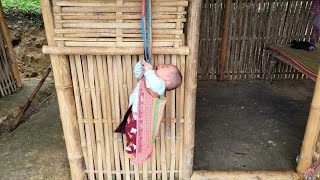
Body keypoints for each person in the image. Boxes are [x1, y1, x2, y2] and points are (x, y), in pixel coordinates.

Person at [114, 60, 182, 164]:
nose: (161, 65)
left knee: (139, 137)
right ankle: (133, 152)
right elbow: (137, 73)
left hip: (142, 117)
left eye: (165, 66)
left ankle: (140, 155)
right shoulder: (148, 77)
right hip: (134, 113)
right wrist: (140, 65)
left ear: (167, 80)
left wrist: (149, 71)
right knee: (130, 134)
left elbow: (154, 84)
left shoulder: (159, 86)